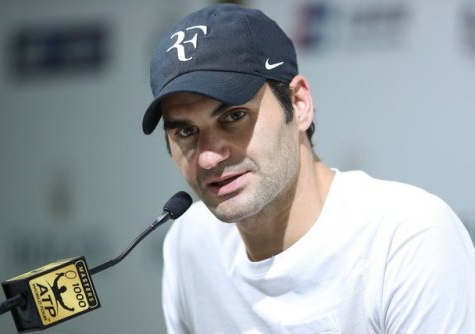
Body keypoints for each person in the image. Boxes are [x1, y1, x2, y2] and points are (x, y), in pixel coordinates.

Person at [142, 3, 475, 333]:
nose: (208, 158)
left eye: (234, 116)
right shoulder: (190, 243)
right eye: (185, 131)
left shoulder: (406, 240)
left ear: (299, 104)